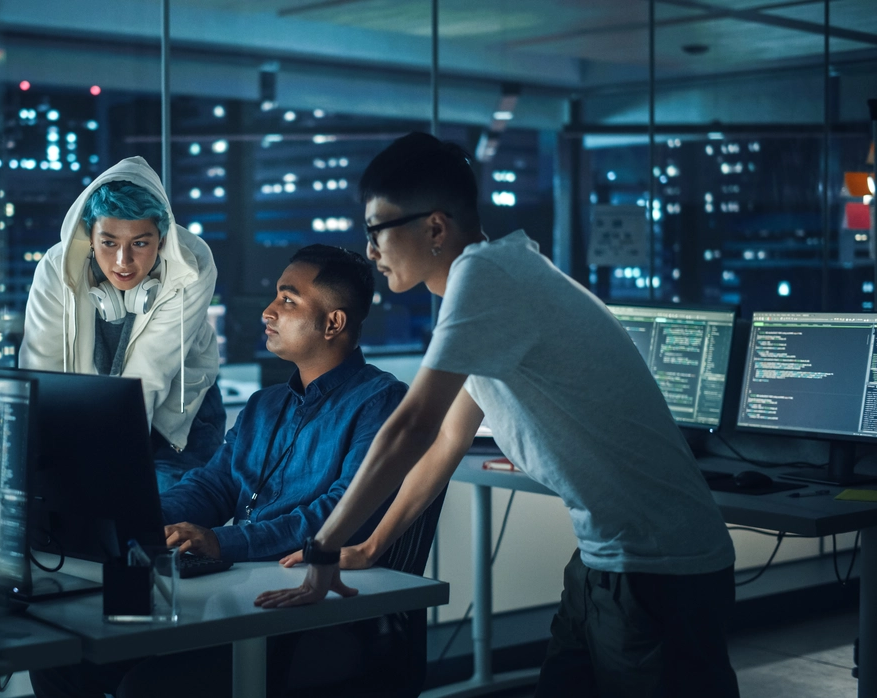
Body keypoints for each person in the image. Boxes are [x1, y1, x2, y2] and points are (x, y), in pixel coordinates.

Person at [259, 132, 740, 698]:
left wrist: (323, 547)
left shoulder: (487, 279)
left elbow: (411, 427)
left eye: (377, 230)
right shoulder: (497, 276)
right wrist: (368, 547)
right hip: (604, 560)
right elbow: (446, 441)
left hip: (660, 568)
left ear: (435, 228)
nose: (370, 251)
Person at [32, 244, 408, 698]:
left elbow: (343, 512)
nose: (268, 311)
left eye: (288, 300)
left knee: (146, 688)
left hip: (322, 613)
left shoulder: (379, 402)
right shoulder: (264, 405)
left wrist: (221, 541)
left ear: (334, 323)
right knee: (61, 658)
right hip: (247, 596)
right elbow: (213, 486)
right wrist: (141, 518)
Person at [21, 157, 224, 489]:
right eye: (109, 242)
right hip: (89, 415)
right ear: (90, 234)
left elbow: (149, 374)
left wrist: (113, 468)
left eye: (140, 243)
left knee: (161, 530)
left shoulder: (192, 264)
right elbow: (42, 367)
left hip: (181, 413)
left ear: (161, 238)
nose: (123, 261)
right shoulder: (56, 268)